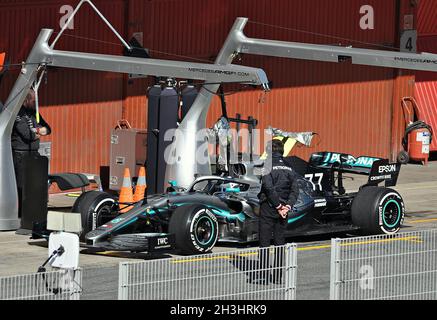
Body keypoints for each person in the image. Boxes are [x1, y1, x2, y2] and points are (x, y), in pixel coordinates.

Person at [256, 139, 300, 284]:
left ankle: (263, 276)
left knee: (264, 242)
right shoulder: (289, 166)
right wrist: (287, 206)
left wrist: (278, 206)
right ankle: (277, 277)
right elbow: (295, 189)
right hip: (284, 210)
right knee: (280, 242)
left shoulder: (267, 165)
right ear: (282, 151)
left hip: (269, 207)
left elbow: (268, 187)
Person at [11, 90, 51, 217]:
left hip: (34, 153)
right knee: (22, 186)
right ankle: (21, 214)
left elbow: (48, 128)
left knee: (34, 185)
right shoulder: (18, 113)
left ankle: (31, 213)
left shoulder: (34, 112)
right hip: (21, 154)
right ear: (26, 100)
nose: (36, 103)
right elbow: (27, 135)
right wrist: (39, 133)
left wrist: (37, 131)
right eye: (34, 101)